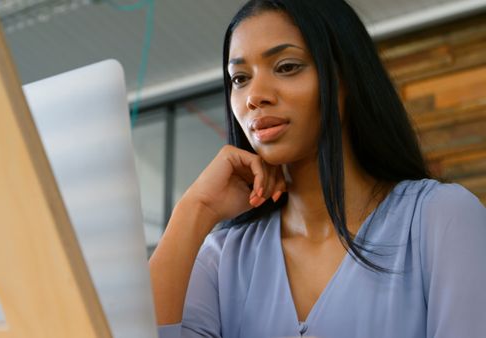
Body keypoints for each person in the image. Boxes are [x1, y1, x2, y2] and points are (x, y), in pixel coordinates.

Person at [148, 0, 486, 337]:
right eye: (239, 78)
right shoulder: (222, 260)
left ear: (346, 79)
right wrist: (195, 210)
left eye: (286, 66)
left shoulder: (440, 218)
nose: (255, 96)